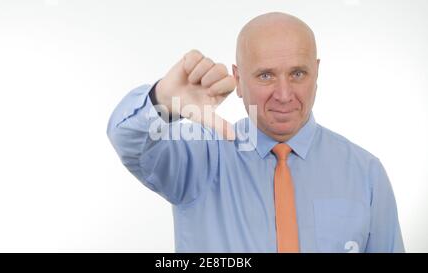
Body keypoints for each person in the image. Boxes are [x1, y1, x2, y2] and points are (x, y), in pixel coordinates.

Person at [107, 12, 404, 253]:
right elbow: (128, 139)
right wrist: (162, 102)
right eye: (266, 75)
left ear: (316, 73)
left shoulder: (367, 173)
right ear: (238, 79)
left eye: (297, 73)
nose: (284, 94)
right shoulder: (200, 159)